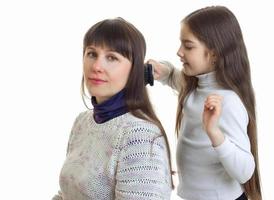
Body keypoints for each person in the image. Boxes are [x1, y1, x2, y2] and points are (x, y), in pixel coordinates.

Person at [148, 6, 262, 200]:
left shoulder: (229, 103)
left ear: (215, 54)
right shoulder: (194, 85)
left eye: (188, 46)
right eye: (181, 44)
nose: (179, 52)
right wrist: (164, 72)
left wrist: (215, 133)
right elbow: (175, 78)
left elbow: (245, 172)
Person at [52, 17, 173, 200]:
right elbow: (67, 194)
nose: (97, 66)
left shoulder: (140, 136)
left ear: (134, 70)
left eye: (112, 57)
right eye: (92, 54)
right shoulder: (82, 121)